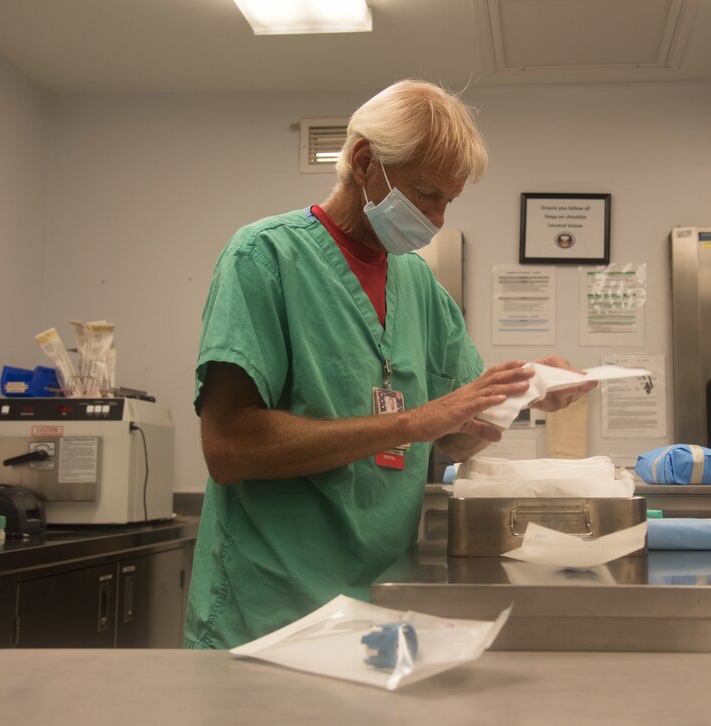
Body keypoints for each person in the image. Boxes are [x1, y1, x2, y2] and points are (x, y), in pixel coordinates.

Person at [183, 79, 594, 649]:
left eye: (449, 200)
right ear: (362, 162)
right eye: (426, 193)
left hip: (380, 607)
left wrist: (523, 395)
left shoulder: (417, 284)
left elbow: (455, 439)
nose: (437, 218)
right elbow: (228, 449)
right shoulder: (264, 258)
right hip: (271, 610)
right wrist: (412, 422)